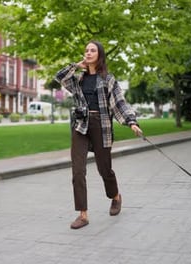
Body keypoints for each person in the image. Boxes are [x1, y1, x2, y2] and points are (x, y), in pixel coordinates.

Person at [55, 40, 143, 229]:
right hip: (81, 125)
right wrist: (76, 65)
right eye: (86, 50)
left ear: (99, 55)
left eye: (92, 50)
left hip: (101, 125)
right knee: (78, 170)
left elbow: (119, 103)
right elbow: (59, 76)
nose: (88, 52)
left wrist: (131, 122)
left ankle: (116, 196)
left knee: (105, 169)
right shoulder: (77, 78)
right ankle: (83, 215)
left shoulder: (108, 79)